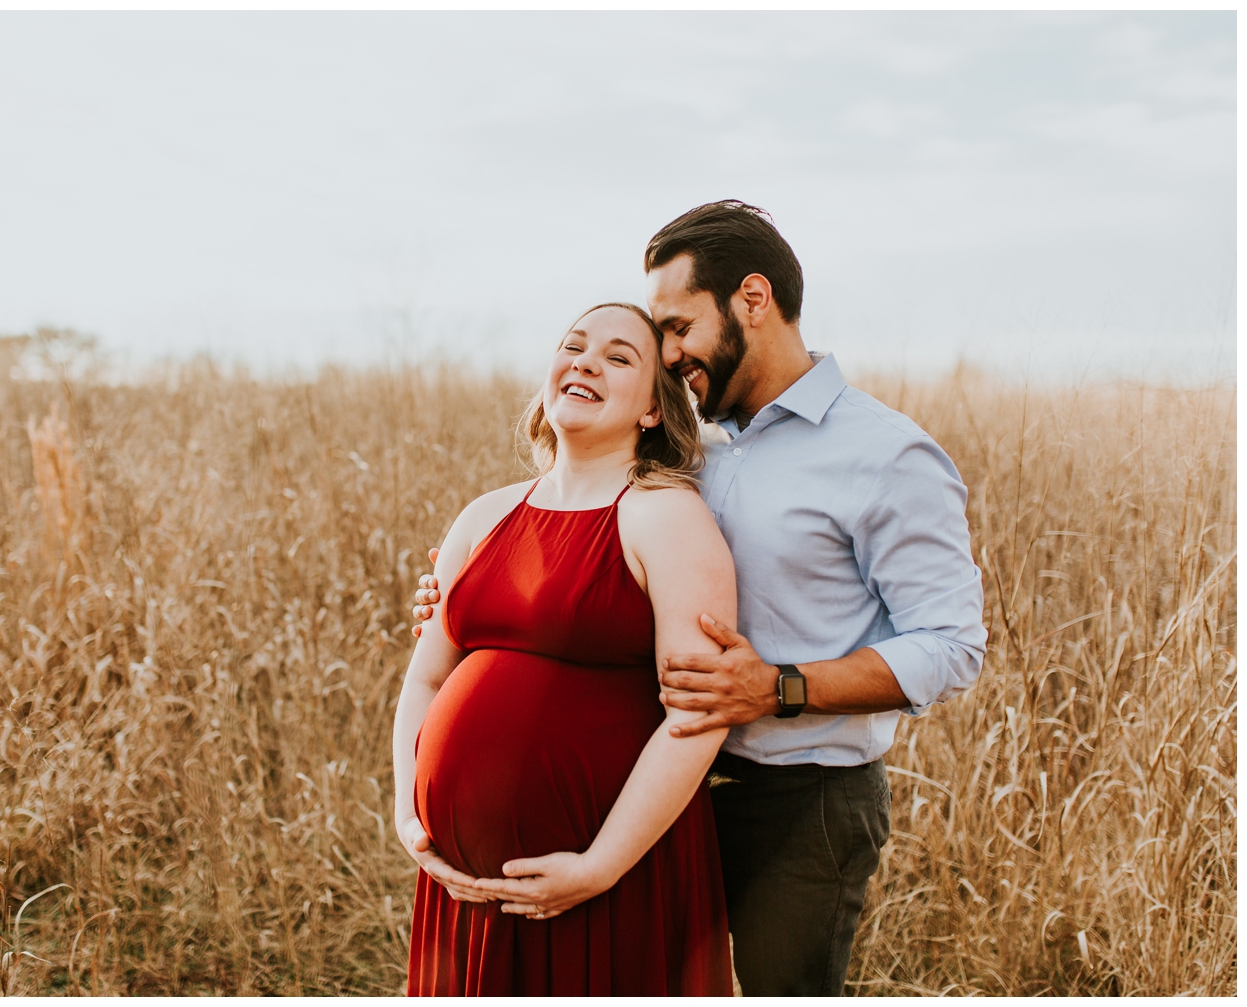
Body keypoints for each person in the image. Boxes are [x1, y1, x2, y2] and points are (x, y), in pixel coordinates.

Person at [413, 201, 988, 995]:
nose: (669, 349)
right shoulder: (696, 445)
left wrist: (782, 686)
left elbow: (951, 646)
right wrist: (479, 595)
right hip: (658, 789)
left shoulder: (885, 454)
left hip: (798, 796)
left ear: (752, 299)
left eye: (678, 325)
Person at [392, 302, 736, 995]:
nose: (584, 361)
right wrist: (411, 819)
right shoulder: (485, 515)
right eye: (573, 346)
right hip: (464, 893)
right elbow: (426, 679)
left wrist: (600, 865)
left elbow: (698, 713)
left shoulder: (665, 515)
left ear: (651, 410)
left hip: (607, 881)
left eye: (617, 356)